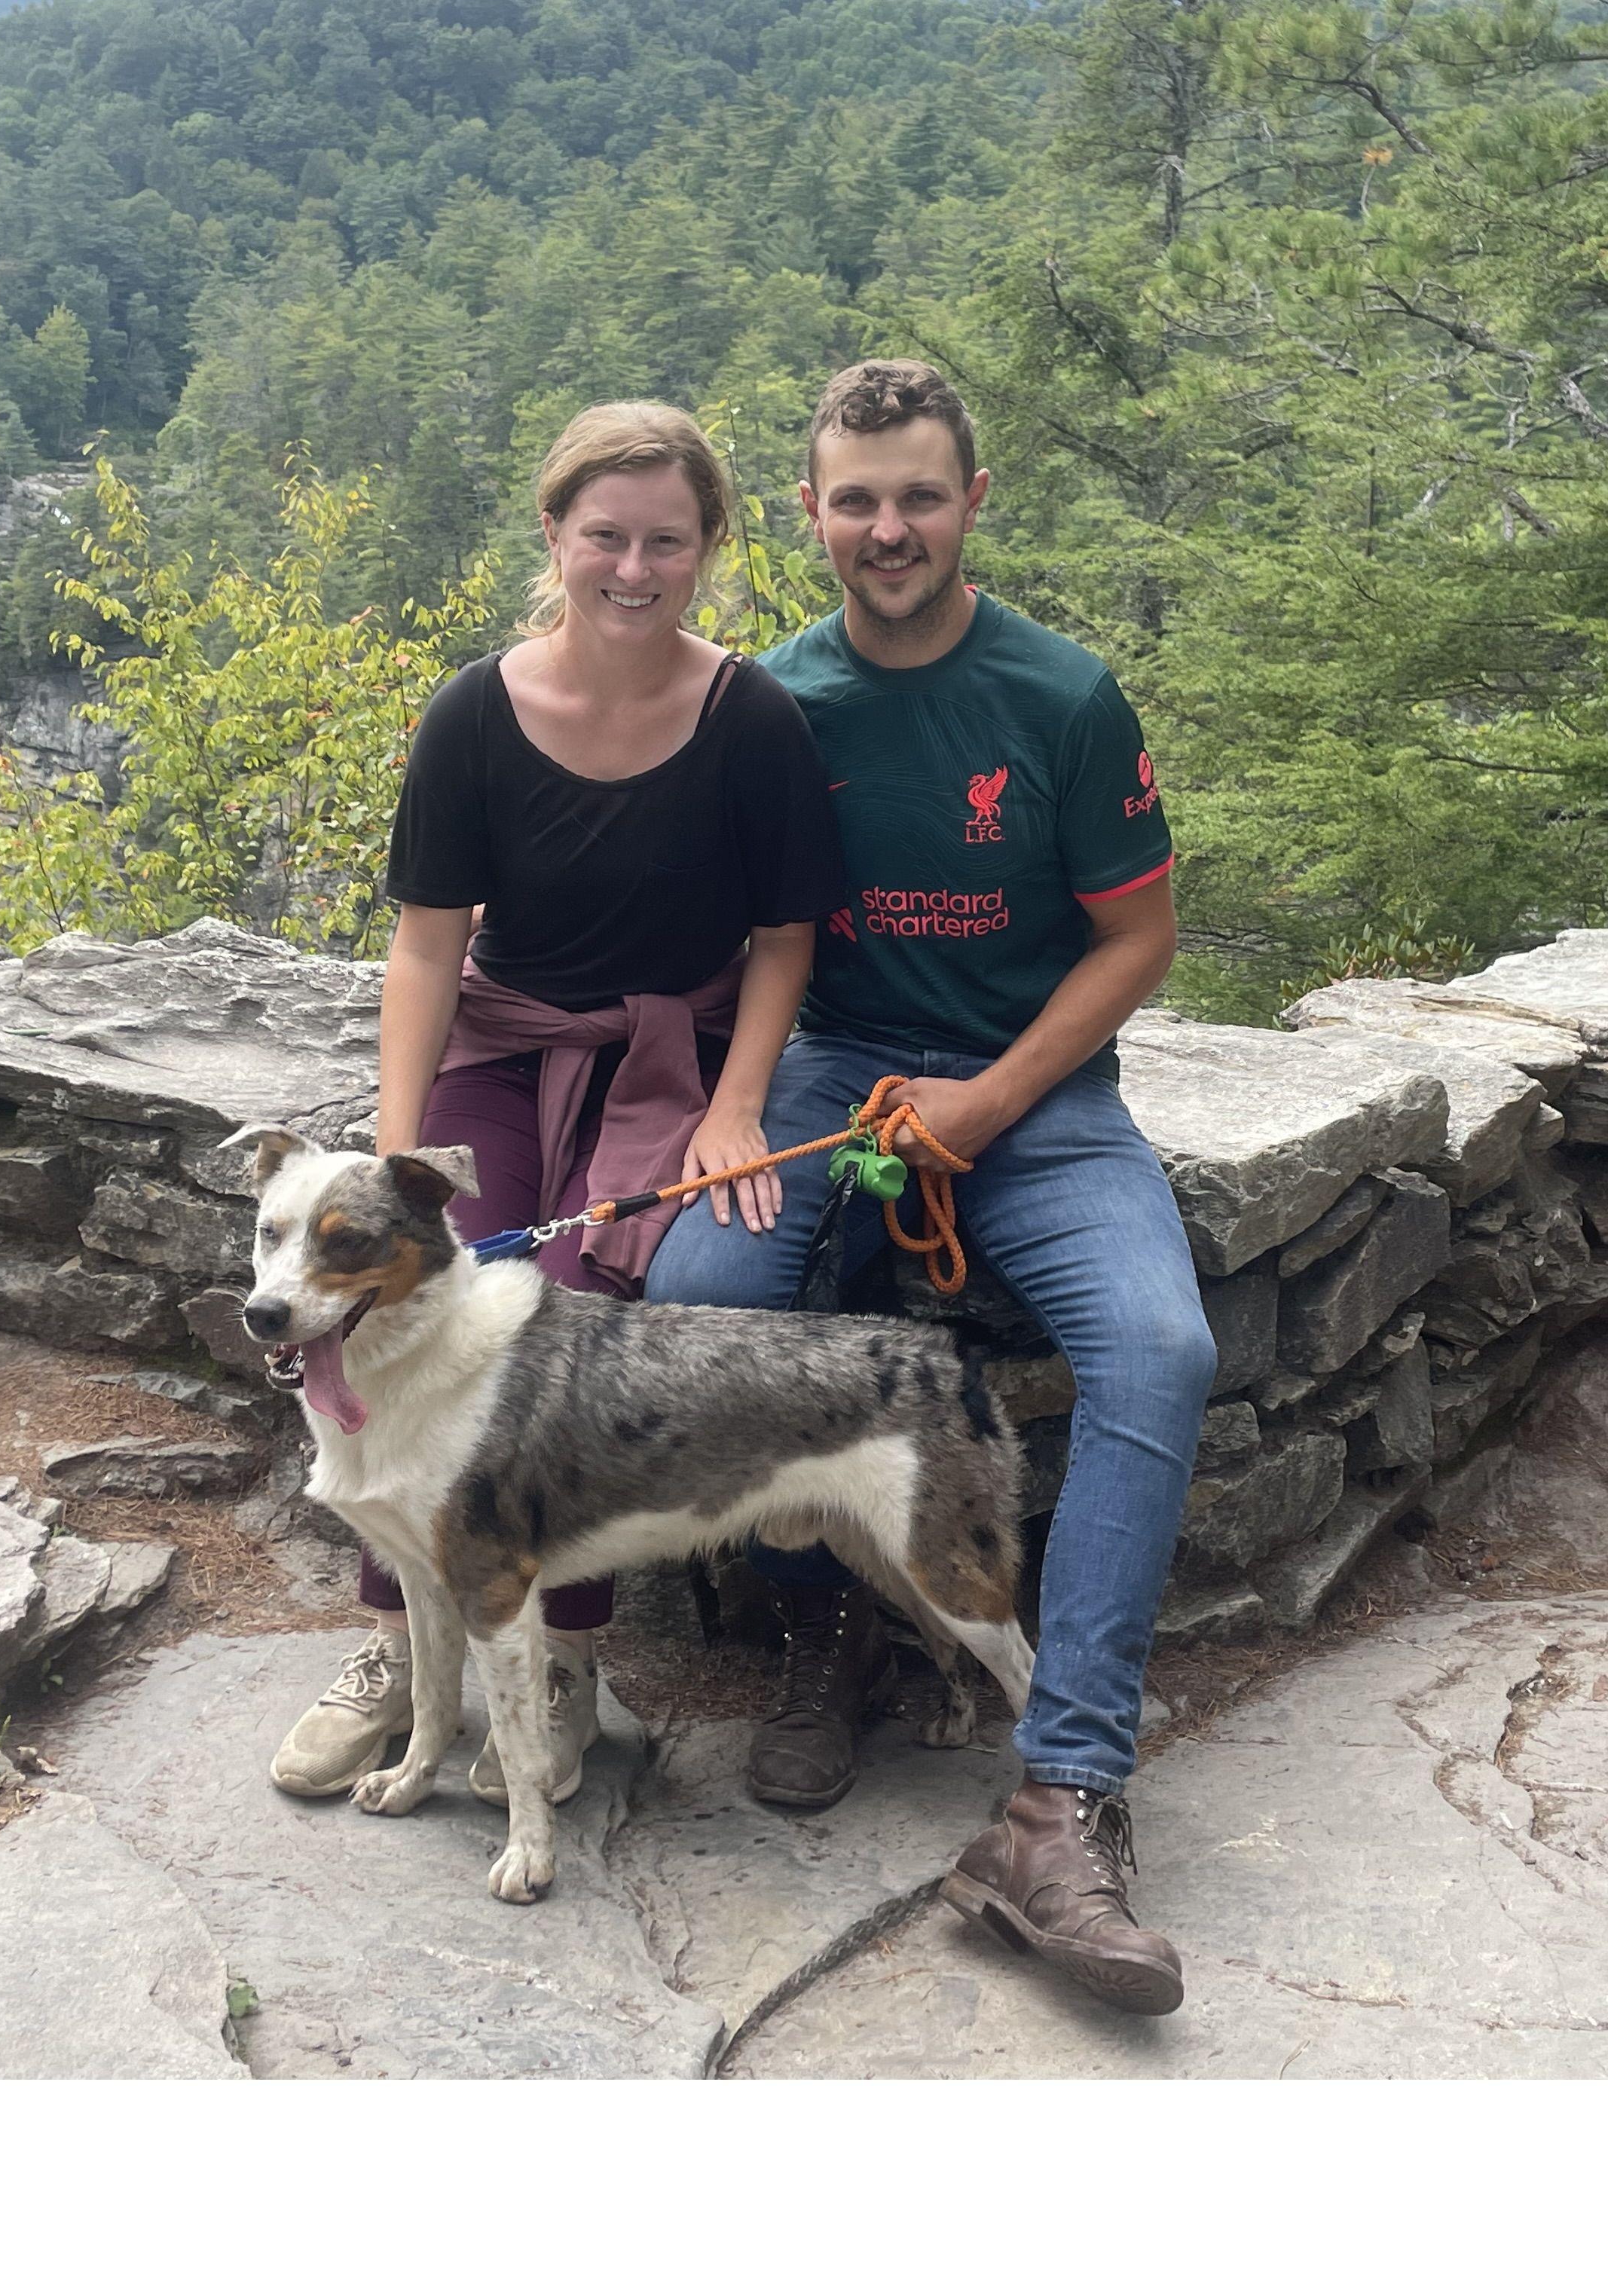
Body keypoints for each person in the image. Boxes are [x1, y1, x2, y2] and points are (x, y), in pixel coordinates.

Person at [644, 357, 1215, 2016]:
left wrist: (990, 1101)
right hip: (834, 1070)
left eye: (917, 496)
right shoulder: (778, 704)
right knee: (703, 1304)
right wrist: (739, 1104)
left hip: (1036, 1090)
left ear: (974, 500)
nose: (886, 529)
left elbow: (1138, 938)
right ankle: (825, 1633)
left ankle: (1062, 1800)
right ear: (811, 512)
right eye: (853, 500)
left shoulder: (1063, 698)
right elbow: (766, 936)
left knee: (1157, 1350)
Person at [269, 402, 848, 1807]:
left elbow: (785, 942)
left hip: (669, 1061)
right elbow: (428, 940)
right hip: (505, 1041)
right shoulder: (478, 711)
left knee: (579, 1314)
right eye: (606, 536)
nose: (634, 569)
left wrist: (738, 1107)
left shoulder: (750, 717)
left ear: (710, 547)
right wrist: (395, 1148)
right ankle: (403, 1657)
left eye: (667, 540)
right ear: (555, 536)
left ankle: (566, 1658)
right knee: (408, 1301)